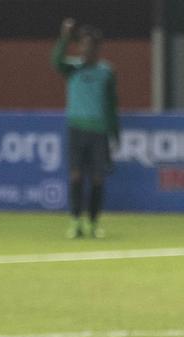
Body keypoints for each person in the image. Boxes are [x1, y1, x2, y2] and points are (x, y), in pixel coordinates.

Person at [51, 17, 119, 239]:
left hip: (98, 131)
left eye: (92, 45)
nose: (87, 49)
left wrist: (115, 133)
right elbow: (55, 61)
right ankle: (75, 220)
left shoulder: (106, 72)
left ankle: (94, 222)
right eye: (83, 44)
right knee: (76, 176)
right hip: (77, 129)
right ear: (79, 46)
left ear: (98, 48)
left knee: (98, 178)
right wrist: (64, 37)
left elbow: (111, 104)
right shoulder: (72, 68)